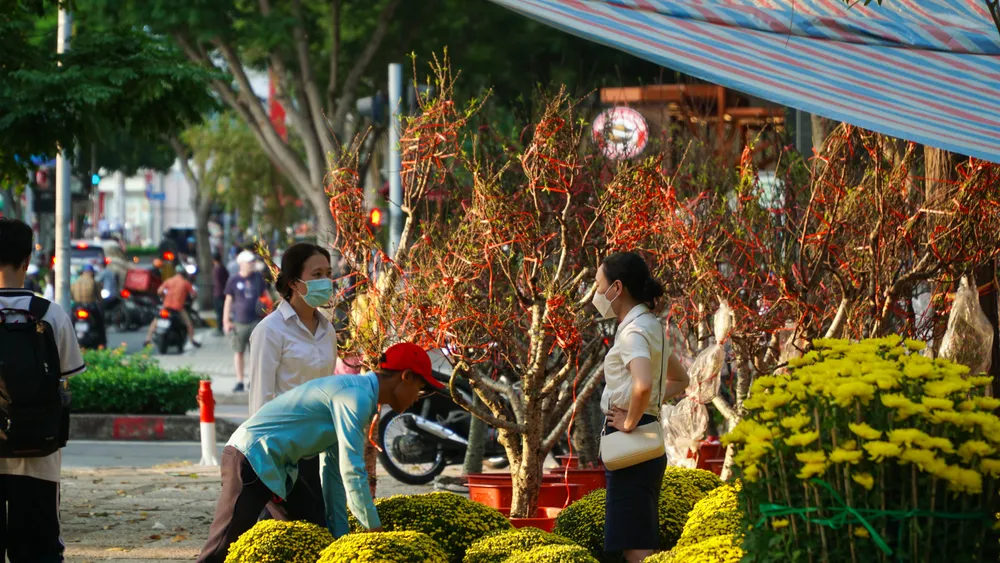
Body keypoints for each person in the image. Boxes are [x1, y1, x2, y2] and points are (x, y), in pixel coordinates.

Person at [195, 342, 442, 562]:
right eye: (420, 389)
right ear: (406, 377)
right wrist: (374, 532)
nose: (416, 398)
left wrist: (341, 541)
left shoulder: (360, 396)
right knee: (221, 548)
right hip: (251, 456)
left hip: (280, 467)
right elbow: (352, 471)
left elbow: (334, 475)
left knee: (313, 535)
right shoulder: (356, 397)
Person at [595, 251, 689, 563]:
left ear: (617, 288)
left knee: (634, 542)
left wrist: (629, 421)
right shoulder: (651, 326)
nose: (597, 293)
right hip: (647, 438)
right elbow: (680, 379)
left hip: (631, 441)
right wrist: (645, 409)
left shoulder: (633, 331)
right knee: (638, 533)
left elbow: (643, 383)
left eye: (599, 285)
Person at [0, 218, 85, 562]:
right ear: (27, 260)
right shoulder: (51, 314)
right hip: (39, 456)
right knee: (38, 552)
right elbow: (67, 375)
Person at [247, 242, 337, 414]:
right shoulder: (270, 330)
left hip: (321, 426)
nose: (325, 281)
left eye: (328, 273)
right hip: (284, 428)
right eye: (317, 274)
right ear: (294, 283)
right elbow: (260, 399)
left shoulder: (327, 330)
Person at [223, 251, 267, 393]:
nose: (252, 264)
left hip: (256, 321)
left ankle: (253, 380)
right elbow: (228, 300)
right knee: (239, 351)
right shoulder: (233, 280)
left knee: (255, 353)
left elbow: (265, 296)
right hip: (239, 322)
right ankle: (240, 380)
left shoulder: (258, 278)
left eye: (252, 261)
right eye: (249, 262)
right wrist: (226, 320)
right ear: (241, 264)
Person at [144, 271, 201, 349]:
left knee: (155, 321)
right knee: (189, 323)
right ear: (184, 275)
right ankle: (192, 340)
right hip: (178, 307)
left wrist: (164, 297)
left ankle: (148, 339)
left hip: (166, 306)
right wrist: (192, 299)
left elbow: (159, 291)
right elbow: (194, 294)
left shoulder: (169, 281)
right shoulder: (185, 283)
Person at [212, 254, 229, 336]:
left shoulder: (218, 269)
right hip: (221, 293)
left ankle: (220, 328)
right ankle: (220, 327)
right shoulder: (222, 268)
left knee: (219, 312)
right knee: (220, 311)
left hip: (218, 293)